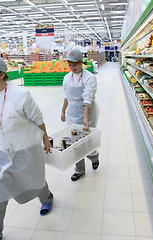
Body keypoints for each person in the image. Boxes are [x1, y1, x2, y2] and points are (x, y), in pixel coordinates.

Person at [0, 55, 53, 240]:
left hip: (26, 148)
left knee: (34, 182)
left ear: (1, 75)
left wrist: (46, 140)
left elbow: (38, 120)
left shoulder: (21, 96)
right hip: (0, 152)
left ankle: (46, 197)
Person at [61, 49, 99, 181]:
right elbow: (66, 97)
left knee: (85, 143)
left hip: (86, 112)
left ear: (81, 62)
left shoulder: (89, 78)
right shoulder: (67, 78)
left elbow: (88, 99)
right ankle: (79, 170)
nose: (72, 68)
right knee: (74, 144)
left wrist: (86, 119)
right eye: (70, 65)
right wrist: (63, 111)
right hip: (72, 113)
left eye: (75, 65)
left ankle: (94, 157)